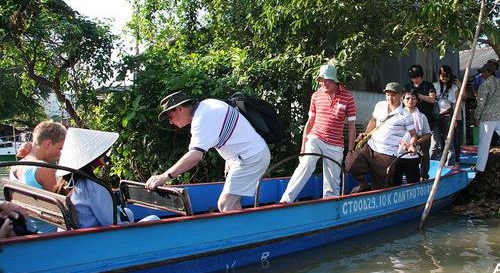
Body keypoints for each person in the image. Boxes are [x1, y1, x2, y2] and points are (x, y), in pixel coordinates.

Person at [145, 91, 271, 212]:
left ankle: (243, 233)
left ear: (179, 108)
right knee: (233, 203)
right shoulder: (207, 104)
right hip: (244, 156)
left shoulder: (202, 118)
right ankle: (242, 231)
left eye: (170, 116)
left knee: (226, 204)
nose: (171, 121)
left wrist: (164, 176)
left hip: (250, 157)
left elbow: (195, 156)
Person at [280, 63, 357, 203]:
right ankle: (286, 199)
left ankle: (330, 205)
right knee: (306, 163)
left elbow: (352, 126)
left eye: (327, 81)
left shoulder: (348, 98)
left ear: (334, 81)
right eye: (322, 80)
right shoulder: (316, 96)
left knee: (332, 182)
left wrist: (351, 151)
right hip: (316, 137)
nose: (323, 83)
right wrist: (303, 144)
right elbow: (310, 121)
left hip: (335, 144)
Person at [56, 128, 154, 228]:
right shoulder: (93, 186)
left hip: (83, 234)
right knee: (153, 218)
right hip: (100, 238)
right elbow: (112, 224)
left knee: (128, 212)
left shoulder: (66, 183)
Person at [349, 82, 418, 191]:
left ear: (401, 95)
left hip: (387, 154)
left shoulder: (405, 115)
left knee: (381, 187)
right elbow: (374, 120)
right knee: (351, 164)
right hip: (370, 147)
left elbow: (413, 134)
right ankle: (363, 185)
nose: (390, 98)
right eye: (388, 95)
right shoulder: (380, 105)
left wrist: (412, 145)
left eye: (393, 95)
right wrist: (366, 133)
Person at [10, 121, 66, 192]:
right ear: (48, 144)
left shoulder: (16, 166)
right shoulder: (44, 169)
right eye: (60, 148)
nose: (60, 153)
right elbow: (61, 200)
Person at [392, 89, 432, 185]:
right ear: (402, 100)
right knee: (394, 183)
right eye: (408, 98)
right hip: (396, 154)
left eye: (413, 98)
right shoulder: (395, 115)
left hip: (413, 155)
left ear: (417, 101)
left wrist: (415, 143)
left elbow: (428, 134)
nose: (410, 101)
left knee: (413, 183)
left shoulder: (422, 117)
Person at [432, 65, 458, 165]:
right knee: (435, 142)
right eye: (442, 76)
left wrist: (455, 119)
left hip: (448, 115)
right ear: (439, 76)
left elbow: (454, 103)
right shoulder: (434, 86)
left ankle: (450, 164)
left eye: (447, 76)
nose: (444, 78)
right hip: (436, 116)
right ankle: (432, 164)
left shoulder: (454, 87)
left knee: (449, 141)